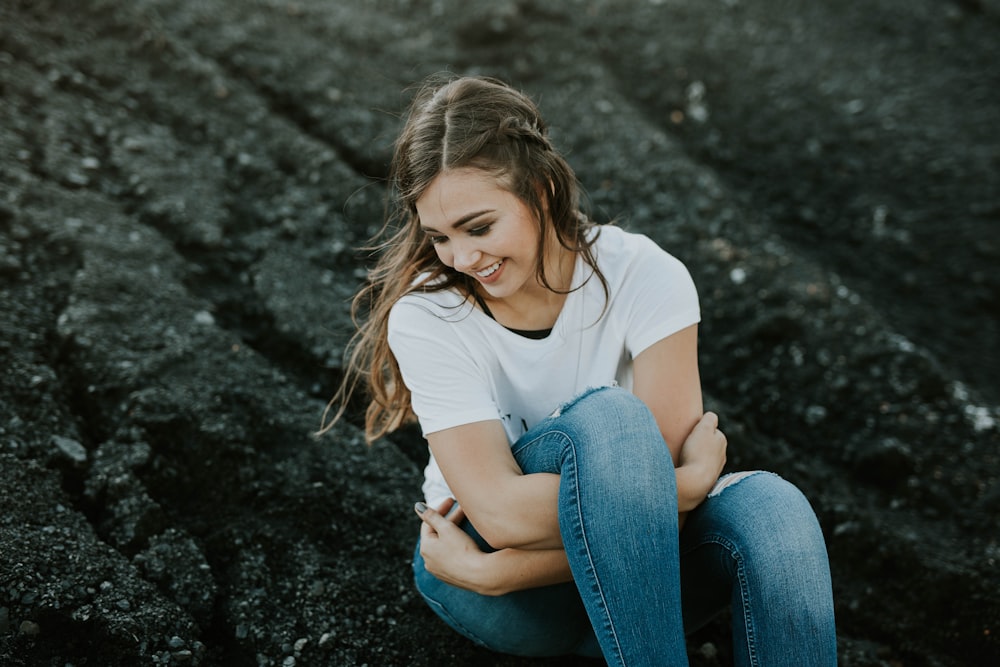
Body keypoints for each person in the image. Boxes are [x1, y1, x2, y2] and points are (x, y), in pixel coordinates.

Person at [322, 74, 837, 666]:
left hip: (616, 579)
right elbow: (500, 514)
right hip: (502, 589)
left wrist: (508, 569)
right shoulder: (427, 314)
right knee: (614, 421)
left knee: (775, 511)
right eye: (439, 236)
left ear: (541, 191)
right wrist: (678, 488)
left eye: (479, 227)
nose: (462, 258)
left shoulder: (645, 274)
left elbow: (662, 508)